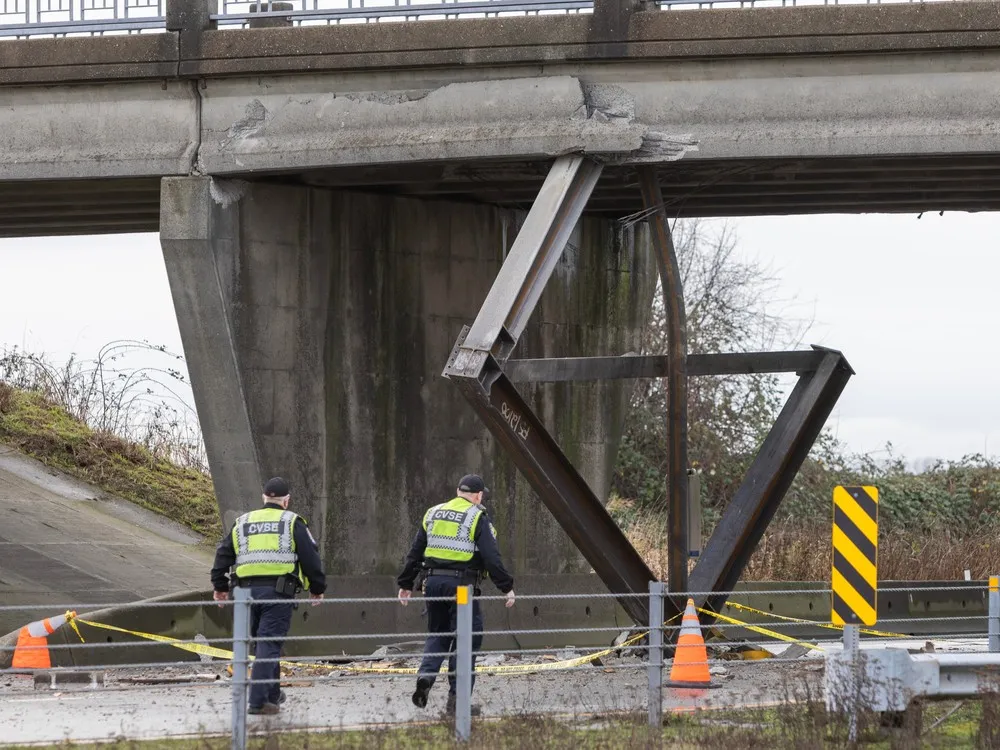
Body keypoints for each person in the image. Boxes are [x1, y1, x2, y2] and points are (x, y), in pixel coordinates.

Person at [397, 473, 515, 714]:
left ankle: (427, 676)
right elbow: (491, 558)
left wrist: (406, 583)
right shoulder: (476, 516)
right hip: (461, 589)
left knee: (438, 633)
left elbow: (415, 552)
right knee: (466, 639)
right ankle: (457, 703)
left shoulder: (433, 513)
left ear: (458, 491)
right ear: (478, 495)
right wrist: (506, 586)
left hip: (431, 585)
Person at [210, 477, 326, 716]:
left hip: (243, 594)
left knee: (261, 645)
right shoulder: (292, 521)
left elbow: (223, 554)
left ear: (264, 498)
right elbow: (310, 558)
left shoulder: (242, 522)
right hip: (276, 592)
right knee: (269, 644)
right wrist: (317, 587)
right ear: (286, 501)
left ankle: (273, 696)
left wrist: (219, 586)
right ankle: (258, 701)